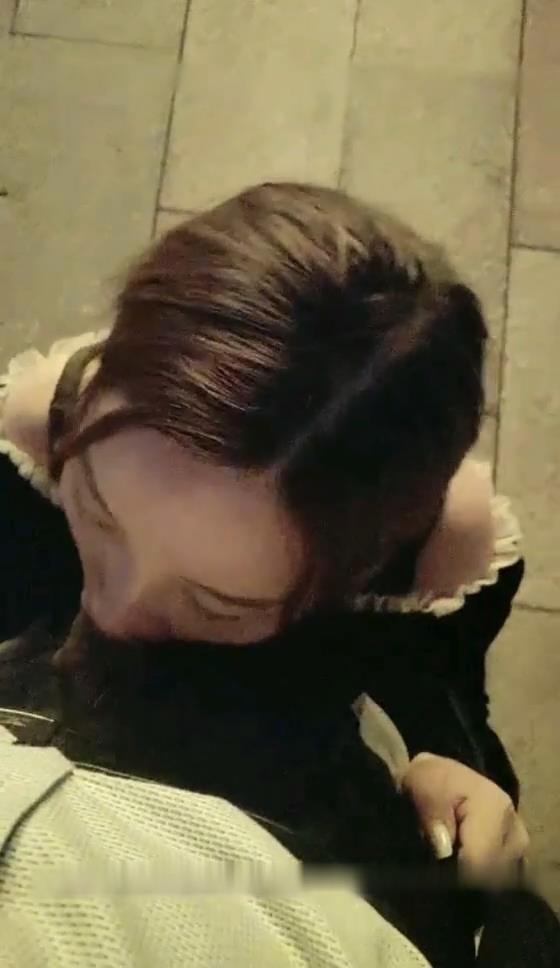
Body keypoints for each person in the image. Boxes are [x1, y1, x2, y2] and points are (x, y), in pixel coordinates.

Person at [0, 183, 536, 959]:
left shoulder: (438, 552)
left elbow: (438, 691)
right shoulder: (36, 424)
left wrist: (445, 774)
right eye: (98, 511)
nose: (115, 609)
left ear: (361, 570)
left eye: (218, 601)